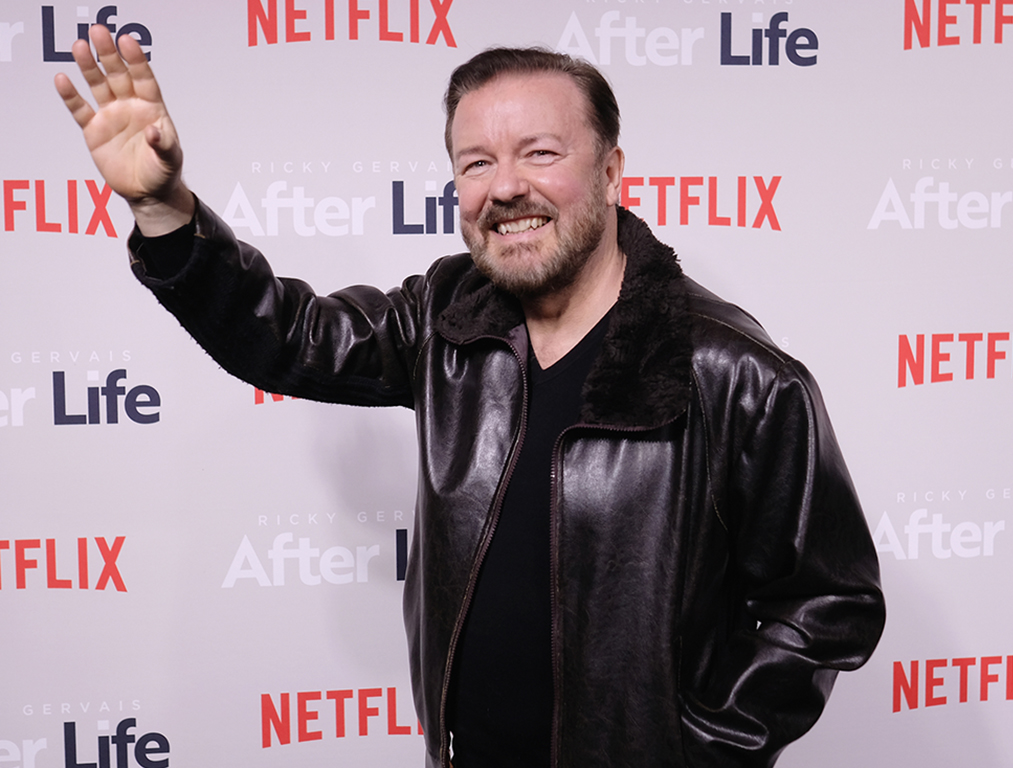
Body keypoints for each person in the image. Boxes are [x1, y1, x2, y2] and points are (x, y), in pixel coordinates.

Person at [56, 25, 885, 768]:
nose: (505, 187)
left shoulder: (729, 370)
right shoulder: (449, 317)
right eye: (476, 163)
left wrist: (700, 749)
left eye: (540, 153)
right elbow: (292, 338)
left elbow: (830, 600)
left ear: (611, 172)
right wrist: (163, 208)